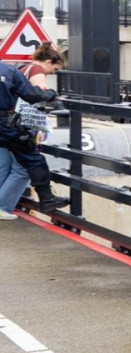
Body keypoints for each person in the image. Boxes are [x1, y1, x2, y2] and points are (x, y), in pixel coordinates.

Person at [11, 43, 67, 212]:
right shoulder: (37, 71)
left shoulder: (24, 68)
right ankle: (47, 199)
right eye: (55, 69)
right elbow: (38, 95)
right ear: (49, 62)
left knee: (9, 166)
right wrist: (53, 97)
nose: (53, 73)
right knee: (33, 161)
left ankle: (7, 203)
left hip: (9, 121)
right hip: (21, 124)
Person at [0, 60, 58, 220]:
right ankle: (47, 199)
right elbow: (30, 94)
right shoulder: (8, 70)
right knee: (32, 159)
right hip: (4, 123)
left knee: (3, 163)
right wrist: (50, 95)